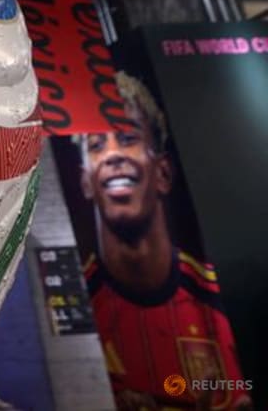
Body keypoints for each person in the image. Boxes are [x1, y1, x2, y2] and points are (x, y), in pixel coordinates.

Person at [81, 72, 249, 410]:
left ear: (163, 173)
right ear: (86, 182)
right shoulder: (79, 307)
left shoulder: (219, 300)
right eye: (96, 145)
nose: (112, 155)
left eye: (128, 138)